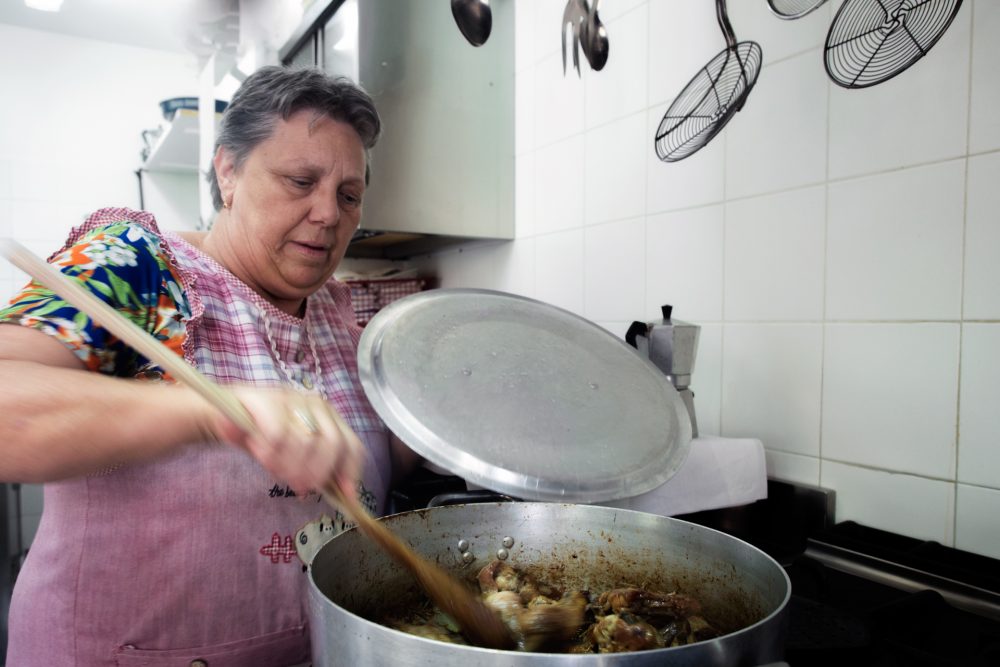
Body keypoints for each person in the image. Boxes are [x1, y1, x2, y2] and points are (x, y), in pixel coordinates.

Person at [0, 65, 420, 665]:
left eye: (348, 196)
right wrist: (213, 411)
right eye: (300, 181)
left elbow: (384, 460)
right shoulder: (136, 266)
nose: (328, 214)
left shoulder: (339, 318)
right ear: (228, 171)